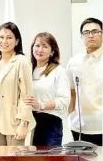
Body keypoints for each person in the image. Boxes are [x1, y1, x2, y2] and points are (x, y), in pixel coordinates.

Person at [0, 22, 36, 146]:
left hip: (15, 119)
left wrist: (23, 123)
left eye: (9, 37)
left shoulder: (21, 62)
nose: (4, 41)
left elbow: (26, 95)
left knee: (14, 160)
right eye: (1, 37)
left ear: (17, 41)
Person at [24, 32, 70, 146]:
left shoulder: (59, 71)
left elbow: (64, 102)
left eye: (45, 46)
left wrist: (40, 105)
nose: (40, 49)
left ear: (52, 51)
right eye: (37, 45)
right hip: (30, 122)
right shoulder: (27, 69)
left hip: (50, 123)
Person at [66, 18, 103, 146]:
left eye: (95, 31)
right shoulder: (73, 62)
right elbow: (71, 92)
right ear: (82, 36)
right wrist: (71, 116)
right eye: (86, 32)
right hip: (80, 126)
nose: (90, 35)